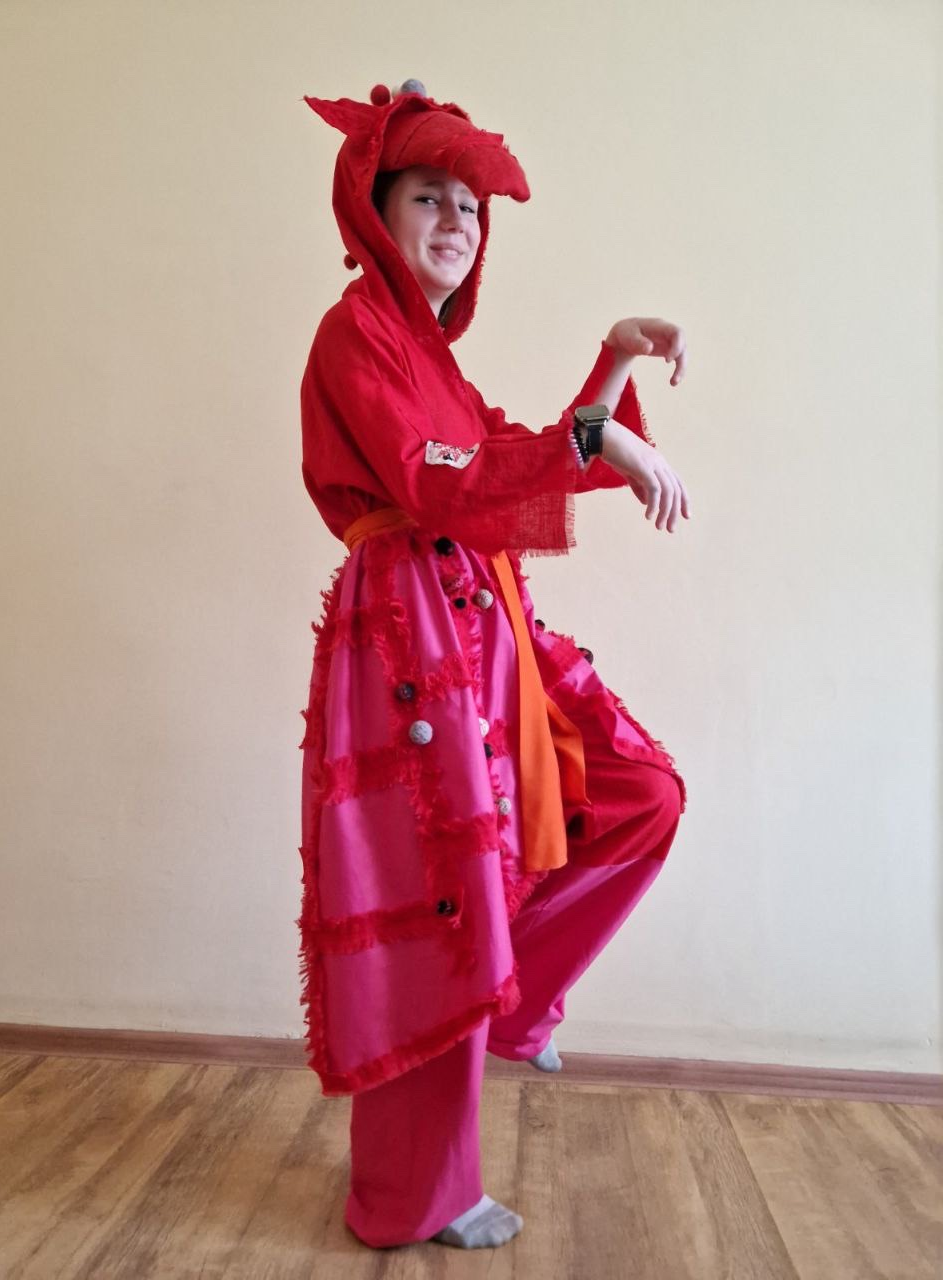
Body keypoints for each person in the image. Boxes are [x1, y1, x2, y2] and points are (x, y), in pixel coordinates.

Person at [296, 79, 690, 1251]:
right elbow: (443, 482)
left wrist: (610, 369)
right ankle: (419, 1193)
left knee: (636, 791)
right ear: (376, 212)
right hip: (412, 637)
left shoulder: (435, 361)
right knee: (437, 905)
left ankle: (513, 1002)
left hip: (479, 622)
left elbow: (503, 454)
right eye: (430, 196)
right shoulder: (356, 333)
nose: (458, 221)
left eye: (471, 206)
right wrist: (600, 438)